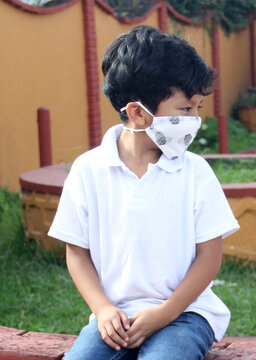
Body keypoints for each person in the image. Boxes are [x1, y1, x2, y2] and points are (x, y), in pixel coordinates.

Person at [48, 25, 239, 360]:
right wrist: (103, 309)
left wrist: (164, 314)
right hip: (115, 317)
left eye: (198, 108)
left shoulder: (195, 173)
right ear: (137, 112)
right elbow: (76, 254)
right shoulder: (88, 171)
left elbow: (209, 256)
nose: (195, 120)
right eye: (185, 110)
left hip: (186, 315)